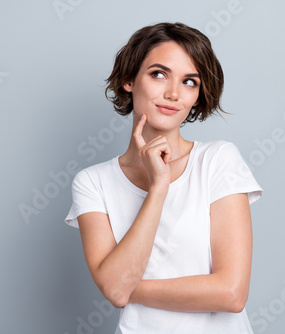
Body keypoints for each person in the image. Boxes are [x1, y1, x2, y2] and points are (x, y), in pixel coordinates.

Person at [64, 22, 263, 334]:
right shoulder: (92, 182)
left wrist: (127, 286)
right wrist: (159, 187)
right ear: (129, 80)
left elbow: (231, 293)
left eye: (189, 82)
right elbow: (115, 290)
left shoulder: (217, 160)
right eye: (158, 74)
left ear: (197, 95)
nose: (173, 93)